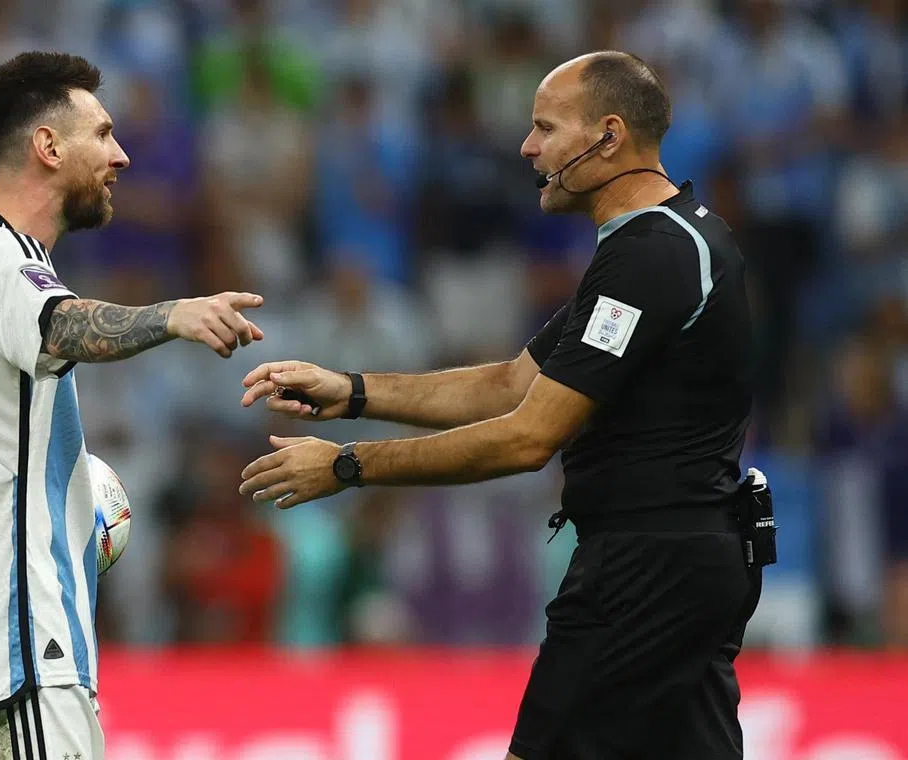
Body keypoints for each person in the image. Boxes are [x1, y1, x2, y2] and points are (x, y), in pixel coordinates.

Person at [239, 51, 765, 760]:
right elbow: (514, 383)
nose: (527, 147)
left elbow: (526, 436)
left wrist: (346, 467)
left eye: (546, 127)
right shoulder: (663, 240)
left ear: (608, 136)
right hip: (686, 563)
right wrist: (354, 391)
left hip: (644, 571)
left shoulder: (650, 258)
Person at [0, 52, 264, 760]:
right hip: (19, 659)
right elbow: (60, 326)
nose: (121, 156)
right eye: (102, 134)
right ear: (48, 145)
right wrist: (176, 316)